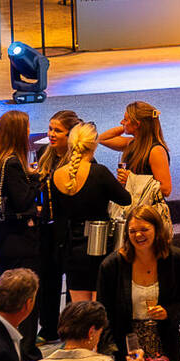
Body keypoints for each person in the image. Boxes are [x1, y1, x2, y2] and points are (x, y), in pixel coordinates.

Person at [95, 202, 180, 361]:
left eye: (144, 229)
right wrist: (109, 354)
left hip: (165, 342)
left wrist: (168, 312)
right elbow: (103, 314)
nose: (138, 235)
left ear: (157, 229)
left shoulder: (176, 259)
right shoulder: (111, 266)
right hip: (127, 344)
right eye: (132, 231)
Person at [49, 124, 132, 304]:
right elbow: (125, 199)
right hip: (99, 246)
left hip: (72, 249)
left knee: (80, 311)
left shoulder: (56, 175)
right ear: (94, 144)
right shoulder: (99, 172)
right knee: (100, 308)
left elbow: (58, 217)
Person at [0, 112, 41, 360]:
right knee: (24, 297)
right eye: (28, 127)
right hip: (19, 242)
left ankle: (1, 345)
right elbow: (22, 201)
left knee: (5, 296)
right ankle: (26, 352)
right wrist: (37, 180)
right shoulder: (12, 163)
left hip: (3, 240)